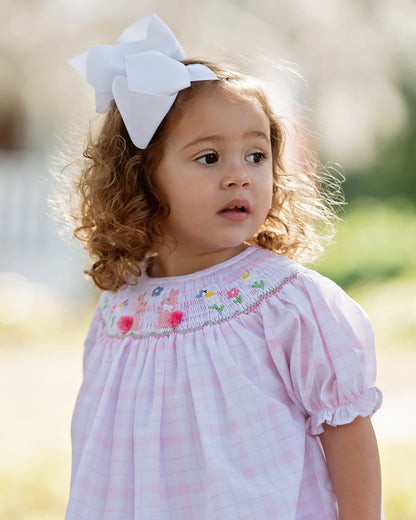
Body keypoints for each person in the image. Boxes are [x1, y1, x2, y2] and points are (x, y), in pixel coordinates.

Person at [64, 13, 383, 520]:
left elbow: (346, 429)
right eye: (209, 158)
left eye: (256, 156)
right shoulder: (119, 308)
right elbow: (99, 452)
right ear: (143, 177)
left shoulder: (284, 301)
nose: (239, 176)